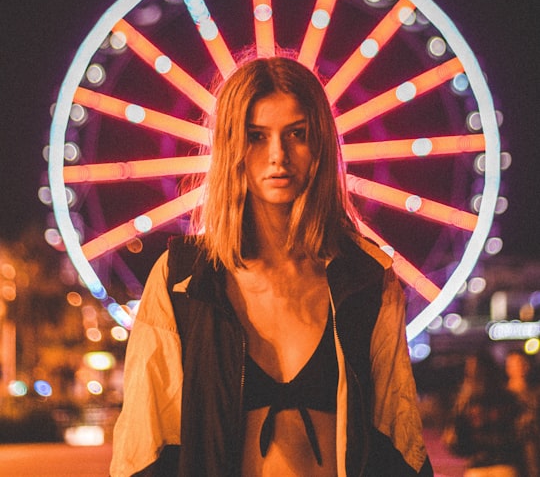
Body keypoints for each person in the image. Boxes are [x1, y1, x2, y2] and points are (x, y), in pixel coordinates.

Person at [109, 54, 433, 476]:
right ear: (231, 147)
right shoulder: (183, 281)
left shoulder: (368, 279)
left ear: (319, 142)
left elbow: (399, 436)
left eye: (296, 133)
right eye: (256, 136)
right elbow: (144, 444)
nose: (278, 155)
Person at [444, 349, 525, 477]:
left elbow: (457, 437)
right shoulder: (509, 399)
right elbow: (521, 434)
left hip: (477, 467)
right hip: (505, 466)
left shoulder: (465, 404)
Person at [504, 349, 540, 477]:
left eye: (521, 363)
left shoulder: (536, 394)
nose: (518, 368)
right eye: (513, 364)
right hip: (509, 448)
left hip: (533, 447)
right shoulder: (502, 395)